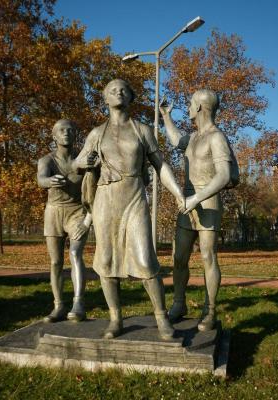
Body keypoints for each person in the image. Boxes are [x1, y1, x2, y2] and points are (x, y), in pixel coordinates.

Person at [74, 79, 185, 340]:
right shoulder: (96, 133)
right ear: (105, 98)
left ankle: (161, 317)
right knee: (106, 261)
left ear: (131, 96)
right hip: (105, 199)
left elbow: (161, 165)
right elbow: (78, 162)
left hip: (134, 196)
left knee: (146, 260)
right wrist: (83, 161)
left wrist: (179, 193)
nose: (118, 91)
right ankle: (116, 318)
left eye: (123, 88)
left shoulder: (142, 130)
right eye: (111, 89)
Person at [160, 89, 238, 331]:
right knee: (179, 258)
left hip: (208, 203)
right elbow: (176, 140)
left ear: (201, 108)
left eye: (191, 103)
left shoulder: (217, 137)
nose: (189, 107)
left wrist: (197, 199)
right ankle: (179, 304)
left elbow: (225, 176)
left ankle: (210, 310)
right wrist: (166, 116)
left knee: (207, 257)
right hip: (188, 203)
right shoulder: (193, 137)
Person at [37, 119, 92, 323]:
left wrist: (87, 220)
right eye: (61, 130)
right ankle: (59, 305)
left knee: (75, 253)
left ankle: (78, 303)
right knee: (55, 261)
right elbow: (41, 179)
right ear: (54, 136)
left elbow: (95, 191)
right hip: (53, 213)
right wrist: (49, 181)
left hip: (77, 211)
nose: (66, 133)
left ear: (76, 134)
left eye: (70, 129)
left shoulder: (84, 159)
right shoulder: (47, 161)